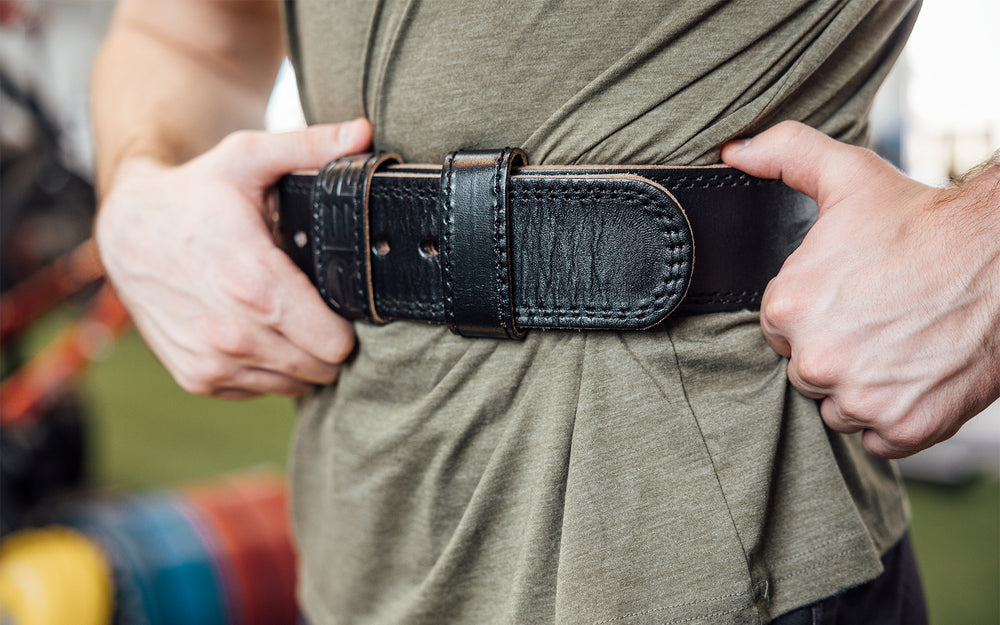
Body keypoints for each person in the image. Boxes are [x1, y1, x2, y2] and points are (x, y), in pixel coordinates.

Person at [91, 1, 999, 623]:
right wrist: (137, 186)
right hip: (361, 531)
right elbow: (186, 35)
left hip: (725, 547)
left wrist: (983, 250)